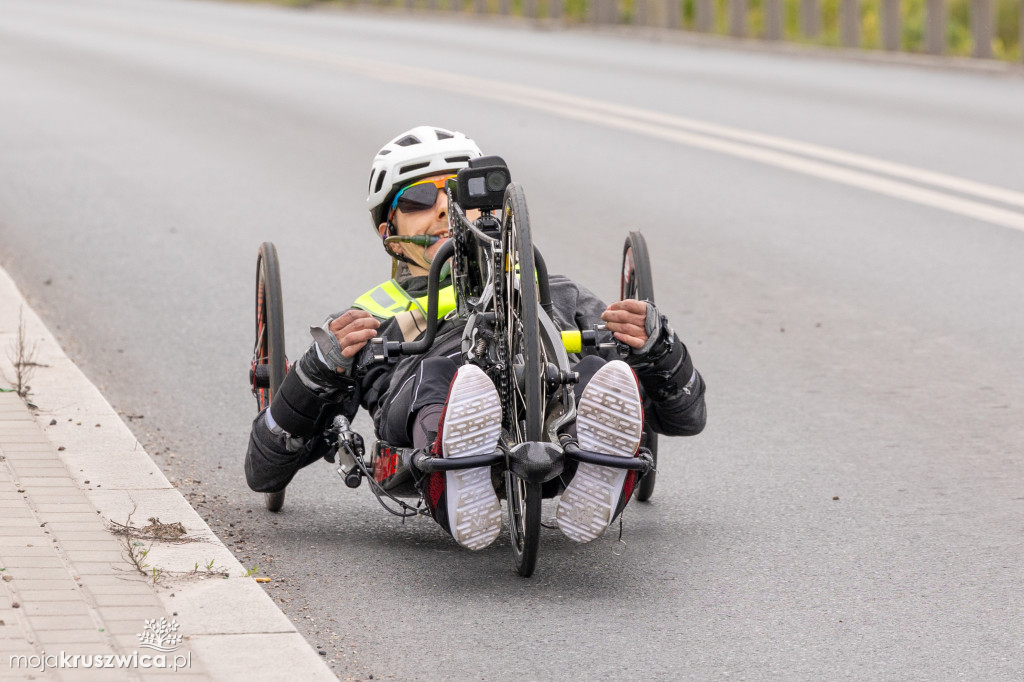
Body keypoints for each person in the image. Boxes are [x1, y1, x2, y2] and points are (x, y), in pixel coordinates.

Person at [245, 126, 706, 549]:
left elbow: (687, 418)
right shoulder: (366, 316)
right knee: (444, 373)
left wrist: (659, 349)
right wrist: (314, 372)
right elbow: (264, 471)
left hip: (548, 401)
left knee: (595, 370)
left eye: (458, 191)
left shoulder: (553, 291)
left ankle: (600, 469)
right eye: (420, 198)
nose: (445, 206)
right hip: (427, 401)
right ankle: (460, 481)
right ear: (391, 233)